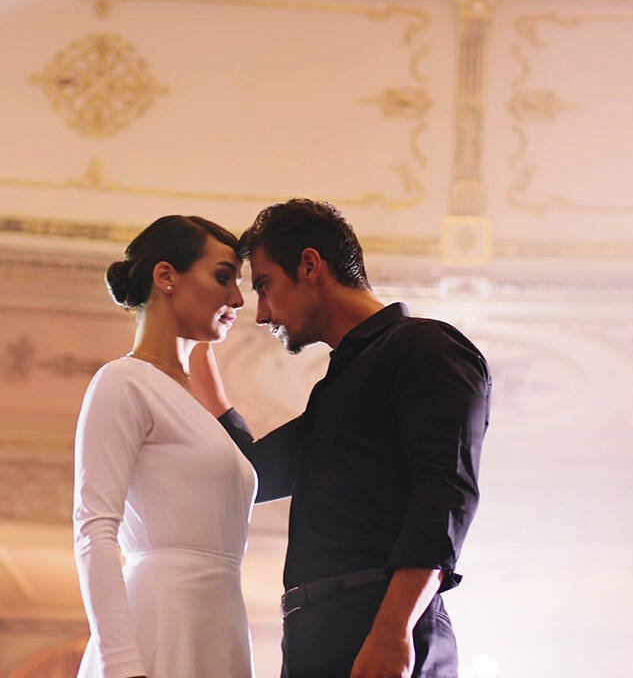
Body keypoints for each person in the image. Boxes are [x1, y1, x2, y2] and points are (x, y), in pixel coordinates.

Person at [190, 199, 491, 678]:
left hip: (381, 626)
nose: (262, 313)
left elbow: (446, 495)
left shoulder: (426, 347)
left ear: (310, 265)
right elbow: (250, 475)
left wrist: (392, 630)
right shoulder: (337, 389)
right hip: (317, 634)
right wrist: (197, 360)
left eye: (264, 286)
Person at [73, 215, 255, 678]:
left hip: (221, 625)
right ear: (166, 276)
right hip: (159, 621)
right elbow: (94, 528)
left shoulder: (198, 405)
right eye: (223, 277)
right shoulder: (123, 381)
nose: (238, 299)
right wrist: (121, 665)